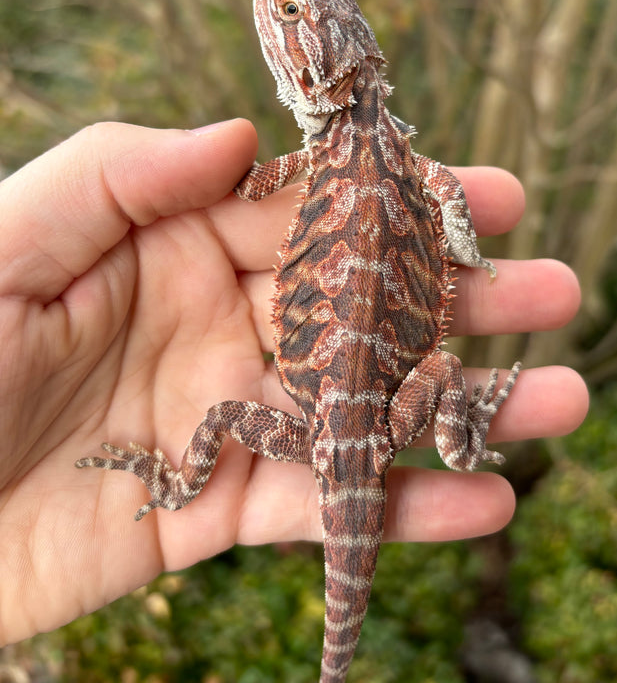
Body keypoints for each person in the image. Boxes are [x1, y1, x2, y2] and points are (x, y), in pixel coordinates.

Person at [0, 119, 586, 646]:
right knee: (446, 369)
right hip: (375, 425)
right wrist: (465, 250)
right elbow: (450, 206)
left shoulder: (343, 155)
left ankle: (177, 490)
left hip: (325, 434)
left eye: (290, 18)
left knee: (233, 414)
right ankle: (461, 447)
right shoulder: (406, 167)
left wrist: (241, 170)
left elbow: (252, 186)